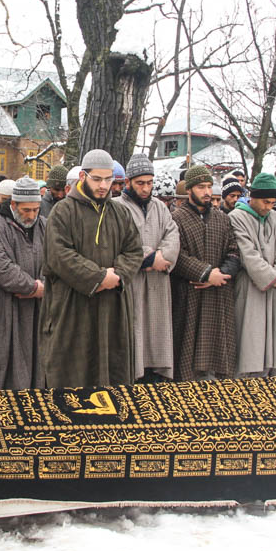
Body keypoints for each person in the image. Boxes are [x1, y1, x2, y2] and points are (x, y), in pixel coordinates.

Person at [41, 149, 143, 387]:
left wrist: (118, 276)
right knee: (72, 379)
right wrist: (98, 277)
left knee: (113, 378)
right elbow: (59, 255)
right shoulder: (63, 212)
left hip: (113, 306)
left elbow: (134, 251)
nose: (103, 186)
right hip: (72, 307)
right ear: (83, 177)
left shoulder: (120, 213)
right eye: (97, 179)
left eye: (108, 179)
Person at [170, 165, 240, 380]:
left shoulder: (222, 219)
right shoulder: (176, 218)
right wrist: (206, 274)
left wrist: (221, 274)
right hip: (189, 295)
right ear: (189, 189)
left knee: (219, 356)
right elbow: (176, 255)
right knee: (188, 356)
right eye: (201, 187)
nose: (207, 192)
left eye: (209, 187)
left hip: (219, 294)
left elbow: (234, 252)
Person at [114, 154, 179, 382]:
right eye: (140, 183)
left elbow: (173, 236)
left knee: (157, 338)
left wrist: (163, 256)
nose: (145, 188)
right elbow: (117, 244)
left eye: (149, 183)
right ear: (128, 182)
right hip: (132, 284)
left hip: (158, 283)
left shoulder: (160, 207)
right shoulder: (116, 207)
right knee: (135, 337)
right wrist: (150, 259)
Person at [230, 173, 276, 377]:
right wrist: (272, 276)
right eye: (265, 202)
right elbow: (247, 254)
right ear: (253, 197)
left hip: (274, 289)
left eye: (272, 203)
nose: (268, 207)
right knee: (249, 343)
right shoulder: (236, 217)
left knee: (271, 346)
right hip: (249, 289)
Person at [0, 177, 46, 390]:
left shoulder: (44, 225)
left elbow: (55, 262)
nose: (31, 215)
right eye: (26, 210)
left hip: (39, 308)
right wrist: (34, 287)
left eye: (35, 210)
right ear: (13, 204)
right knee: (8, 364)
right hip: (7, 309)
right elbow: (1, 267)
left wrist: (43, 288)